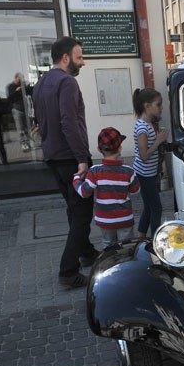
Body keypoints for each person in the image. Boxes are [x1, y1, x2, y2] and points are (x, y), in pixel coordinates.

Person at [32, 36, 99, 289]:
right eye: (79, 57)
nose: (83, 62)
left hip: (53, 157)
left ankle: (87, 253)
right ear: (66, 58)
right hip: (71, 158)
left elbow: (41, 121)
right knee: (82, 214)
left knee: (73, 209)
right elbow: (69, 122)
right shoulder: (67, 82)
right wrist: (82, 159)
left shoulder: (40, 83)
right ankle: (68, 272)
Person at [73, 127, 140, 249]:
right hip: (125, 218)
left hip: (105, 219)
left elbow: (84, 192)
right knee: (127, 246)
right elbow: (135, 190)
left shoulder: (95, 171)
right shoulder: (128, 171)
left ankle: (109, 265)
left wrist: (76, 180)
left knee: (108, 245)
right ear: (120, 148)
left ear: (99, 150)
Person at [132, 87, 169, 239]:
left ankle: (140, 237)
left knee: (148, 206)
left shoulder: (147, 125)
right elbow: (144, 156)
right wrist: (159, 140)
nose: (161, 108)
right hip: (145, 175)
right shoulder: (142, 127)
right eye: (158, 104)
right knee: (156, 208)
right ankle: (155, 241)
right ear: (147, 106)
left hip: (149, 173)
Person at [7, 72, 31, 152]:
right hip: (16, 109)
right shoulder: (11, 86)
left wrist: (26, 87)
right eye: (20, 78)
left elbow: (28, 93)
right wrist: (16, 91)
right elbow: (9, 98)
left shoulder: (22, 85)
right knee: (20, 128)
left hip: (24, 109)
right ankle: (23, 143)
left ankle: (28, 142)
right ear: (16, 77)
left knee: (26, 127)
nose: (21, 80)